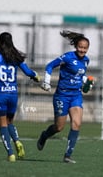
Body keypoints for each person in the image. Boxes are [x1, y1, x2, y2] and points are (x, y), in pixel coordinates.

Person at [0, 32, 40, 162]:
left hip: (0, 95)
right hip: (13, 95)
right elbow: (27, 72)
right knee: (10, 122)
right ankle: (17, 141)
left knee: (3, 125)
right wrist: (35, 76)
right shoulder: (15, 57)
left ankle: (10, 154)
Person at [37, 30, 94, 163]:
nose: (82, 50)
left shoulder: (86, 60)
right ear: (76, 46)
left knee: (77, 123)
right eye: (80, 47)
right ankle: (44, 135)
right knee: (59, 127)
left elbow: (80, 76)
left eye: (85, 48)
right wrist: (46, 81)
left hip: (76, 95)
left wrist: (87, 83)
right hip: (62, 95)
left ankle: (67, 155)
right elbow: (50, 65)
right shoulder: (68, 57)